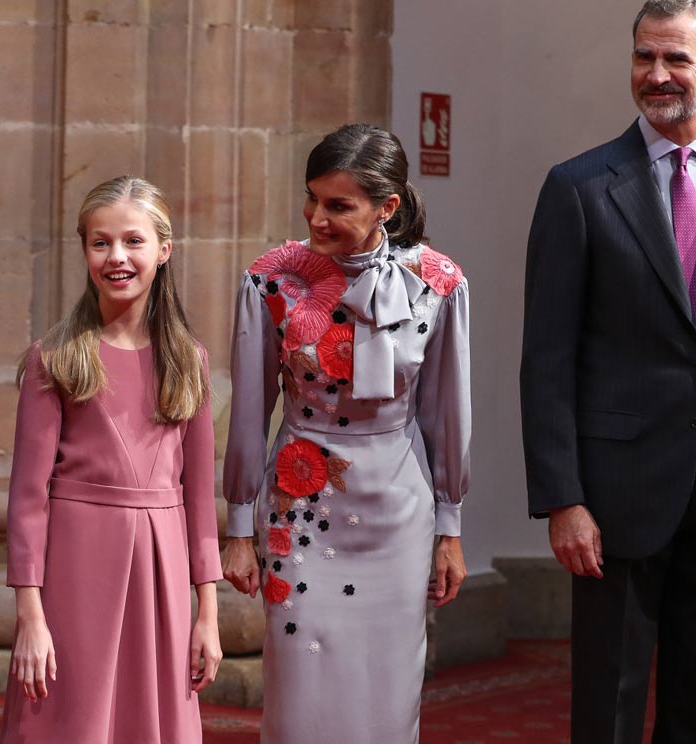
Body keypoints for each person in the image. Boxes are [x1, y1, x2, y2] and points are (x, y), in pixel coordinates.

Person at [520, 1, 696, 741]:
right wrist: (562, 499)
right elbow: (547, 360)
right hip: (614, 500)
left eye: (676, 59)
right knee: (608, 706)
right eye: (644, 57)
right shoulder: (578, 189)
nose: (657, 75)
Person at [222, 123, 472, 743]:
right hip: (299, 507)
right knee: (300, 693)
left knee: (387, 697)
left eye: (339, 205)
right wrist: (235, 527)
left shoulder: (440, 283)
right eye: (312, 198)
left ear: (387, 207)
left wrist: (451, 529)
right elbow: (249, 413)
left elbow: (446, 415)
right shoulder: (270, 280)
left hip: (399, 512)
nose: (317, 217)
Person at [1, 176, 223, 743]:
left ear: (163, 250)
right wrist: (31, 617)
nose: (116, 257)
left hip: (164, 571)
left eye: (133, 241)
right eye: (100, 243)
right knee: (71, 719)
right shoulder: (54, 357)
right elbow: (27, 499)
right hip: (75, 573)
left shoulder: (188, 361)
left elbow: (199, 501)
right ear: (84, 251)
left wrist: (208, 613)